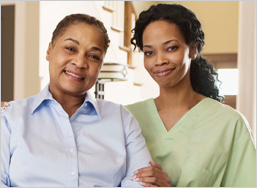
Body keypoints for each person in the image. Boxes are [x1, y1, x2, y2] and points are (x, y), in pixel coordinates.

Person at [1, 13, 153, 187]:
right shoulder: (9, 118)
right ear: (49, 51)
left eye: (93, 56)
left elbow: (141, 183)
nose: (80, 62)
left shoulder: (122, 119)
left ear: (100, 66)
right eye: (71, 49)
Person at [125, 3, 256, 187]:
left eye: (171, 48)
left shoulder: (229, 124)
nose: (160, 60)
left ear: (193, 49)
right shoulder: (126, 118)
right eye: (149, 52)